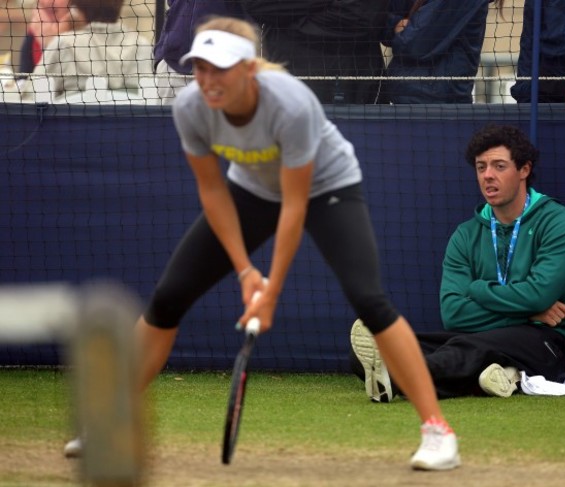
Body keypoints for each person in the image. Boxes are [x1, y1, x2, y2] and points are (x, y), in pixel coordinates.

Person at [65, 15, 460, 471]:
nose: (208, 80)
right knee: (168, 297)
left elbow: (295, 206)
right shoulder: (190, 107)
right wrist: (246, 270)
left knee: (370, 300)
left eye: (220, 69)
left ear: (249, 69)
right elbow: (213, 192)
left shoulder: (290, 104)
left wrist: (270, 291)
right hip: (250, 189)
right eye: (200, 68)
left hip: (327, 189)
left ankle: (438, 432)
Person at [351, 123, 565, 401]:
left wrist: (476, 289)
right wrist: (529, 312)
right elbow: (453, 313)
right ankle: (501, 376)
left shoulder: (560, 222)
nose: (488, 175)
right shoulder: (465, 235)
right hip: (486, 333)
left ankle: (401, 376)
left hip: (545, 343)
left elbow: (538, 295)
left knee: (468, 348)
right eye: (481, 167)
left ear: (524, 170)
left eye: (499, 166)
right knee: (378, 352)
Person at [241, 0, 388, 104]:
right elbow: (257, 4)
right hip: (285, 79)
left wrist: (289, 22)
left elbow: (361, 18)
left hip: (351, 83)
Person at [18, 0, 153, 101]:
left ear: (76, 9)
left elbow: (29, 98)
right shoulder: (142, 45)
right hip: (130, 134)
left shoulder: (64, 44)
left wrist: (48, 46)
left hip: (69, 135)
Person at [380, 0, 504, 104]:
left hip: (435, 101)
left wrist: (402, 28)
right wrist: (397, 25)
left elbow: (413, 43)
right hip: (409, 96)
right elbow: (382, 27)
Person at [153, 0, 249, 104]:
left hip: (215, 69)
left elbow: (252, 14)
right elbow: (173, 10)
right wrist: (160, 55)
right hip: (170, 68)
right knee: (165, 119)